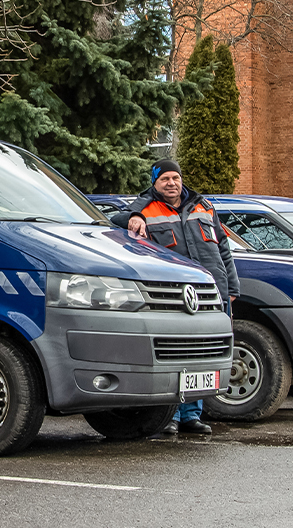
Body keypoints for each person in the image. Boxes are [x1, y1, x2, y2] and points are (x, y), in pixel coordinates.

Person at [112, 159, 239, 435]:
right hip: (174, 297)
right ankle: (169, 415)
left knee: (204, 356)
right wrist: (135, 216)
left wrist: (231, 289)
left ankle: (192, 415)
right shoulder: (145, 208)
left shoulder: (204, 206)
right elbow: (116, 222)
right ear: (154, 183)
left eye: (175, 178)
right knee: (178, 354)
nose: (171, 183)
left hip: (213, 292)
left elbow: (224, 249)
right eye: (164, 179)